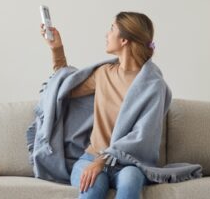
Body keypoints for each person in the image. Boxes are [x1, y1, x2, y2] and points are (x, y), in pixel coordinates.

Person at [39, 11, 158, 199]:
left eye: (112, 29)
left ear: (124, 40)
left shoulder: (152, 85)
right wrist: (57, 49)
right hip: (90, 157)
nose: (106, 34)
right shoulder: (104, 74)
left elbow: (141, 136)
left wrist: (103, 160)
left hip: (130, 163)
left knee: (130, 181)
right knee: (92, 187)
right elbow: (65, 87)